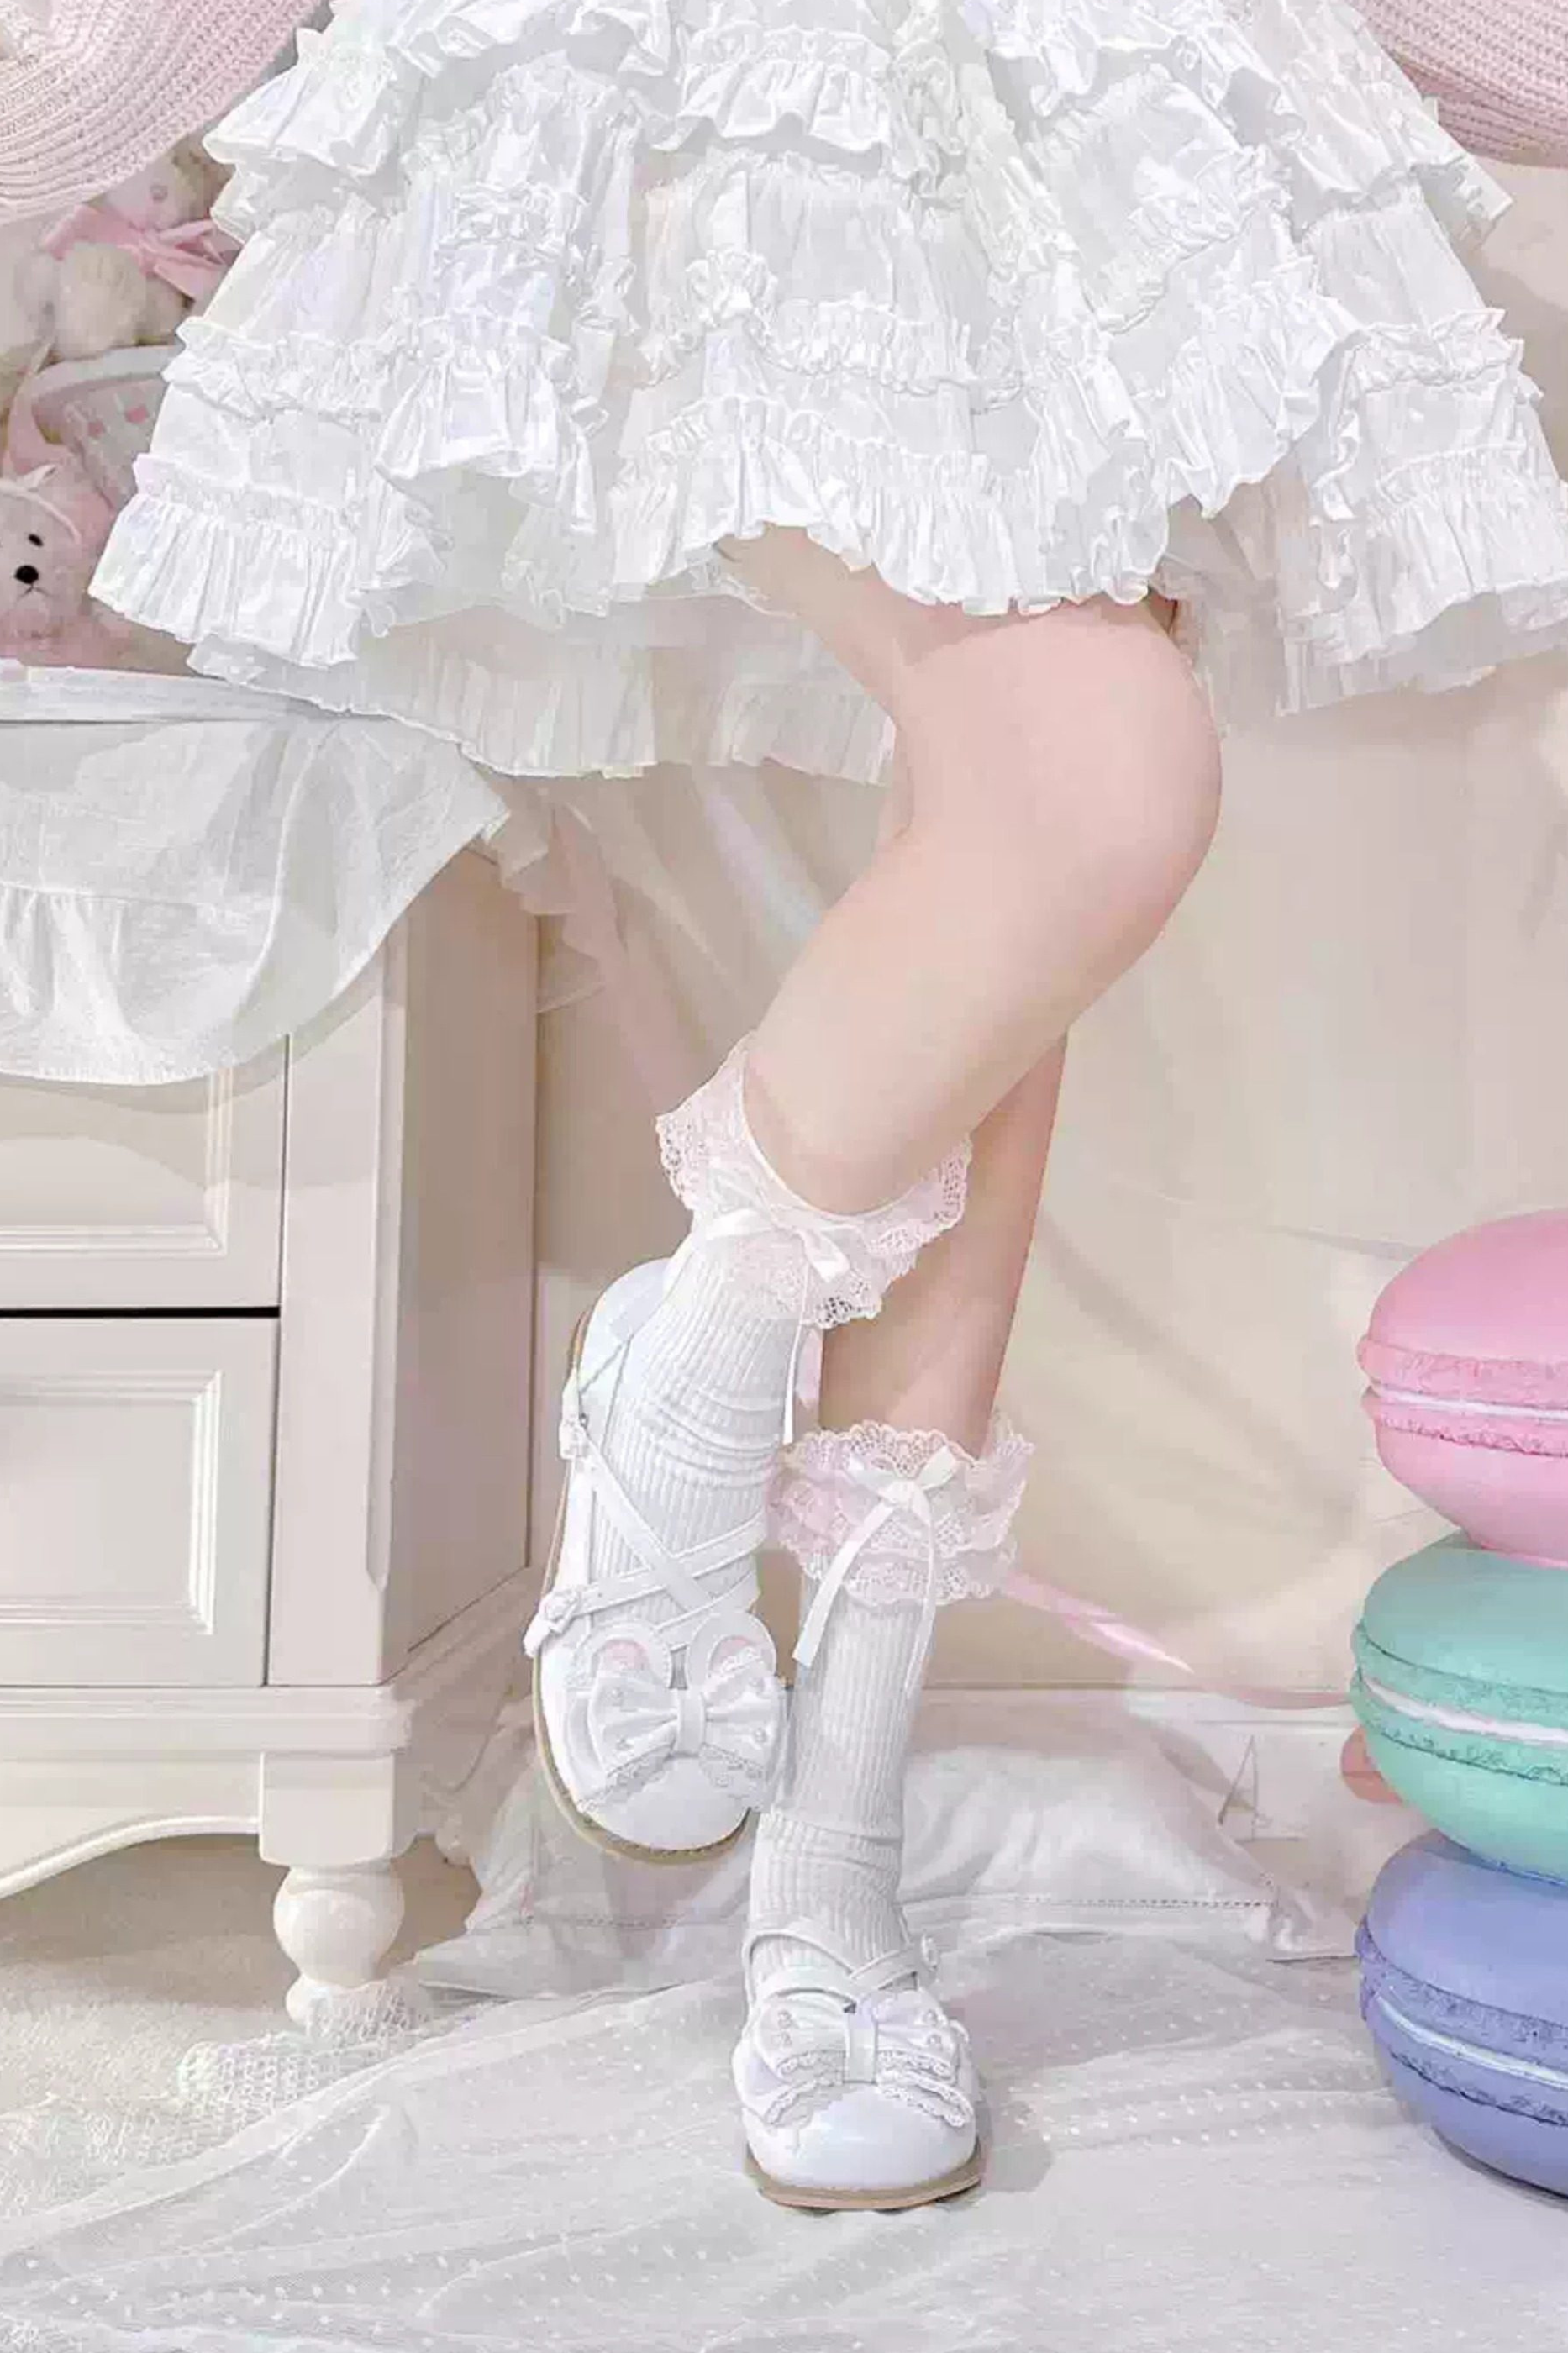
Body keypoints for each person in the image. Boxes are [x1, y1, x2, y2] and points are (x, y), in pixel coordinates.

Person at [72, 0, 1568, 2210]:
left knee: (1006, 952)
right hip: (714, 87)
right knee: (1090, 785)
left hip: (1096, 111)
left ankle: (833, 1890)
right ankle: (693, 1353)